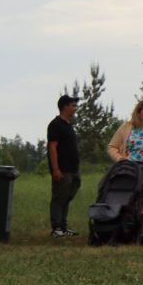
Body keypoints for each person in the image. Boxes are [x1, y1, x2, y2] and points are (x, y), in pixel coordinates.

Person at [108, 99, 143, 220]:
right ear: (139, 112)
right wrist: (120, 159)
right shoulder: (127, 127)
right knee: (129, 197)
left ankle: (142, 230)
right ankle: (125, 224)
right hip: (129, 168)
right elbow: (112, 146)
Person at [48, 93, 82, 238]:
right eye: (73, 105)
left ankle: (64, 226)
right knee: (59, 197)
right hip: (62, 169)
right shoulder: (55, 125)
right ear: (64, 107)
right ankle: (56, 228)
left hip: (73, 169)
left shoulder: (69, 125)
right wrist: (56, 169)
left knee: (67, 197)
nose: (75, 108)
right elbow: (52, 147)